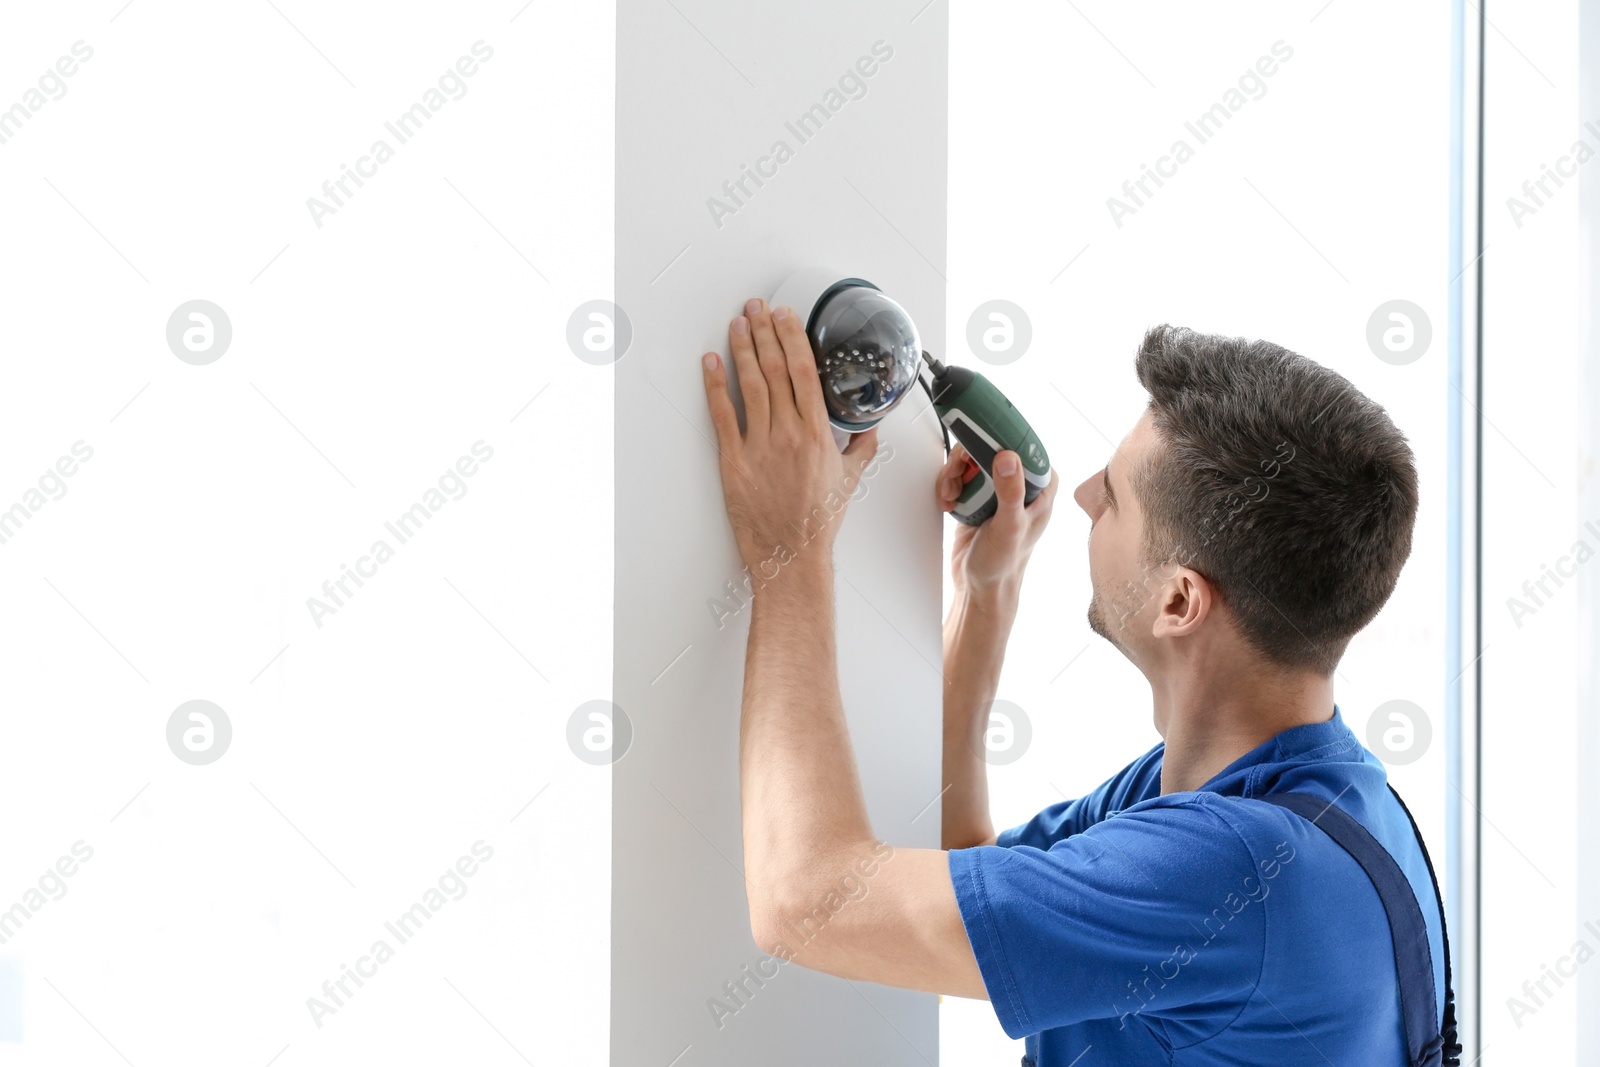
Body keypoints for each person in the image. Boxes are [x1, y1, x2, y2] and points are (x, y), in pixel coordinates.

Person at [700, 298, 1446, 1065]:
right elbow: (973, 873)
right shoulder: (1290, 788)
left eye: (1116, 495)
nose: (1086, 495)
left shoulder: (1233, 871)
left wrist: (790, 549)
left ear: (1179, 600)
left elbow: (807, 899)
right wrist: (987, 592)